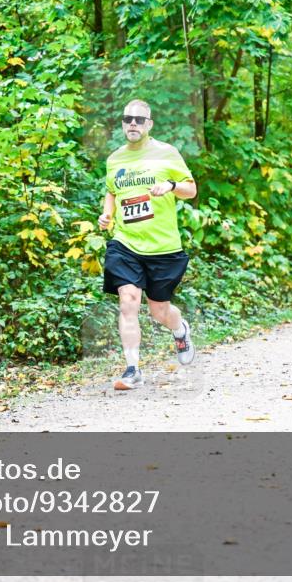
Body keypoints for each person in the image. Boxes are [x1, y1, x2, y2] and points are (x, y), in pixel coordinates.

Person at [98, 99, 198, 391]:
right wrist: (107, 214)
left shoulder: (167, 153)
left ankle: (179, 330)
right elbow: (112, 191)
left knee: (159, 310)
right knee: (128, 300)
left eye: (139, 120)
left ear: (149, 125)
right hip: (125, 243)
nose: (133, 124)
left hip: (163, 247)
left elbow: (190, 190)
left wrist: (170, 186)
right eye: (128, 119)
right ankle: (132, 369)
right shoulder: (115, 159)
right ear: (122, 123)